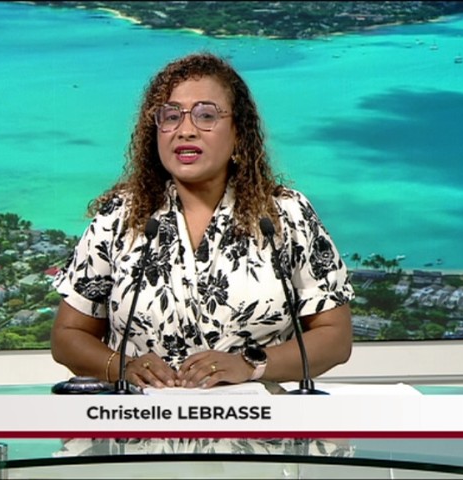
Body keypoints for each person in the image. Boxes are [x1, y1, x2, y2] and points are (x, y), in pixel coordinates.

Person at [51, 52, 354, 390]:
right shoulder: (120, 217)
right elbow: (68, 335)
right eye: (171, 116)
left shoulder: (286, 215)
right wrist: (121, 367)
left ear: (239, 132)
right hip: (140, 419)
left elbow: (335, 337)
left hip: (257, 420)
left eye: (205, 116)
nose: (185, 131)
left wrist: (250, 365)